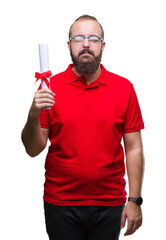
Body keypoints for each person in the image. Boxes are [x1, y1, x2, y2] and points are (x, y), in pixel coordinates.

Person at [21, 15, 145, 240]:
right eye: (79, 38)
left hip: (110, 204)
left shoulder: (124, 88)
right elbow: (32, 149)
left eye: (93, 38)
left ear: (102, 45)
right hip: (61, 204)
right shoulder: (50, 87)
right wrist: (33, 113)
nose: (86, 43)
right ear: (69, 45)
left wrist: (134, 200)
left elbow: (134, 148)